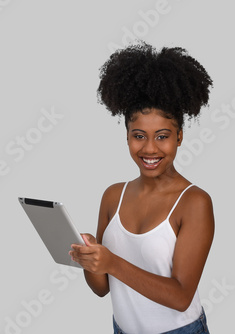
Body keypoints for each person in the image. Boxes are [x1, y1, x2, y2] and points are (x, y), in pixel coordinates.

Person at [69, 42, 215, 334]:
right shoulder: (113, 196)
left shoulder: (194, 202)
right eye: (139, 136)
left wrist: (112, 261)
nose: (150, 148)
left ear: (180, 137)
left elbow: (180, 296)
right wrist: (90, 256)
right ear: (127, 137)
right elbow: (101, 289)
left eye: (162, 136)